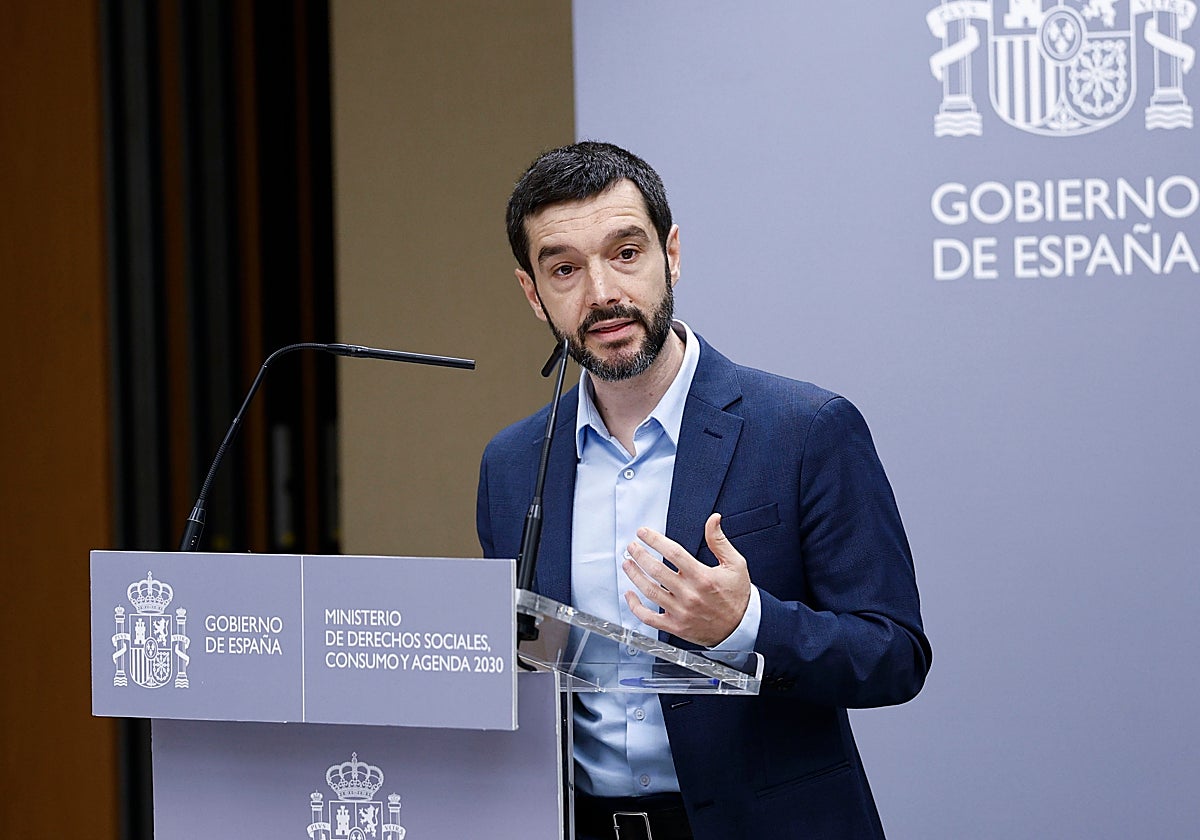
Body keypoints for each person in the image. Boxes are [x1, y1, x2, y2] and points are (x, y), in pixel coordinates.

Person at [477, 141, 931, 840]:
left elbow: (893, 655)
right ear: (533, 294)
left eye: (626, 253)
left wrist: (746, 623)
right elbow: (521, 665)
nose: (601, 293)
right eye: (565, 269)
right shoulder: (512, 465)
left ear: (672, 254)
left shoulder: (806, 430)